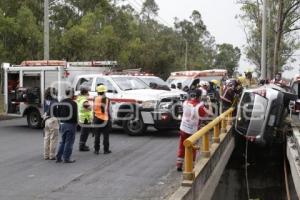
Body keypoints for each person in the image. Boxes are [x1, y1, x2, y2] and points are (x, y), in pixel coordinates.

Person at [176, 89, 211, 172]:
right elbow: (207, 114)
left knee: (182, 146)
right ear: (199, 96)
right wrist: (209, 104)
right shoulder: (200, 106)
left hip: (183, 128)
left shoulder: (185, 103)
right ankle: (190, 167)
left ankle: (179, 165)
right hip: (193, 130)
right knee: (193, 148)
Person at [56, 88, 78, 163]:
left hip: (62, 123)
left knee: (63, 141)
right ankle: (66, 158)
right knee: (69, 142)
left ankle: (59, 157)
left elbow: (57, 113)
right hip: (71, 124)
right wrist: (76, 123)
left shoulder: (61, 102)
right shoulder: (73, 103)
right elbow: (75, 115)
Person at [93, 85, 112, 155]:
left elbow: (93, 109)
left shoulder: (95, 98)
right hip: (105, 119)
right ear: (104, 92)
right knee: (106, 135)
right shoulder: (108, 99)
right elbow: (110, 110)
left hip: (97, 118)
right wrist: (111, 119)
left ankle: (96, 150)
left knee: (97, 135)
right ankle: (106, 150)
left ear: (98, 92)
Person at [43, 87, 59, 160]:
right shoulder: (54, 101)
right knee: (53, 138)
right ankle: (52, 155)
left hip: (46, 120)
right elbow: (57, 110)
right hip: (53, 119)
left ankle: (46, 155)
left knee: (47, 138)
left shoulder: (45, 101)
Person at [77, 86, 93, 152]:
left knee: (83, 132)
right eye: (87, 92)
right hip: (86, 118)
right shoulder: (84, 100)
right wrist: (91, 106)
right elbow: (89, 108)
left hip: (82, 118)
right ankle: (82, 146)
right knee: (85, 133)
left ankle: (82, 145)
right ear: (85, 93)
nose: (88, 93)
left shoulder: (80, 99)